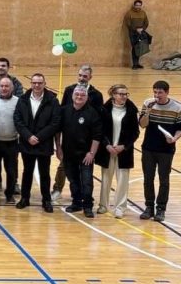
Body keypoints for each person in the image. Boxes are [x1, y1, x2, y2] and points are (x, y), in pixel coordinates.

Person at [13, 73, 60, 213]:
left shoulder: (52, 100)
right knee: (27, 172)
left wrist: (38, 137)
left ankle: (46, 200)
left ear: (44, 84)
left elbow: (55, 122)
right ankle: (24, 198)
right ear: (31, 84)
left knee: (44, 173)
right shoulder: (23, 99)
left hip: (44, 143)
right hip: (27, 143)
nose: (37, 85)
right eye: (34, 83)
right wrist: (28, 136)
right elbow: (17, 120)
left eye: (40, 83)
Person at [138, 80, 181, 222]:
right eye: (155, 92)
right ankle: (149, 207)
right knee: (148, 179)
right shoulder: (148, 103)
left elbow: (179, 128)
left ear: (167, 92)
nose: (157, 95)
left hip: (166, 150)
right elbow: (142, 125)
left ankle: (161, 208)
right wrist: (147, 112)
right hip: (148, 148)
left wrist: (174, 138)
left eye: (160, 92)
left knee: (164, 180)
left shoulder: (177, 107)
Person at [96, 84, 139, 218]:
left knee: (122, 181)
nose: (124, 96)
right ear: (113, 95)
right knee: (105, 179)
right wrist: (107, 145)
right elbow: (100, 130)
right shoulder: (104, 109)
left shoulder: (131, 110)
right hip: (107, 150)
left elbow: (135, 133)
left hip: (123, 151)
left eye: (126, 94)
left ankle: (120, 207)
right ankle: (103, 205)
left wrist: (124, 146)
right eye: (121, 94)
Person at [59, 87, 103, 218]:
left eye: (82, 95)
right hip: (68, 153)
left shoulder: (92, 113)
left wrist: (92, 153)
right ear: (72, 96)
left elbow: (97, 136)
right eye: (77, 94)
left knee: (87, 181)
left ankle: (88, 206)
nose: (79, 97)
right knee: (73, 180)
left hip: (86, 155)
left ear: (86, 97)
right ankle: (76, 203)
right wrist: (58, 147)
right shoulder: (64, 111)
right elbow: (58, 131)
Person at [0, 77, 20, 204]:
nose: (4, 88)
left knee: (11, 171)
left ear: (12, 88)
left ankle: (10, 194)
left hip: (11, 142)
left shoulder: (18, 101)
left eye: (7, 86)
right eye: (2, 86)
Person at [124, 0, 150, 69]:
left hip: (141, 33)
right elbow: (128, 23)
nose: (138, 7)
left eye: (139, 5)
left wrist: (142, 29)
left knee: (139, 48)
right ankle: (134, 64)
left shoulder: (143, 13)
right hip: (133, 33)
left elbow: (146, 23)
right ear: (134, 5)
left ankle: (137, 63)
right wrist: (136, 29)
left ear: (141, 5)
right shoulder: (129, 13)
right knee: (135, 47)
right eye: (137, 5)